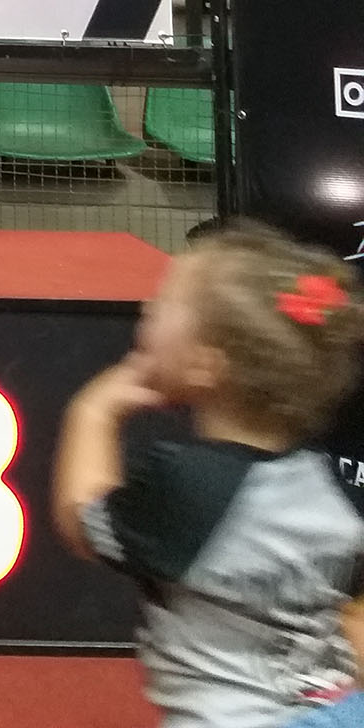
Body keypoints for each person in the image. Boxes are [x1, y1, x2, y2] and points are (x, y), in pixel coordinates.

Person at [54, 222, 364, 728]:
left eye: (164, 304)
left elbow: (81, 521)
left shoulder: (186, 484)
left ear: (205, 366)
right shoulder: (329, 483)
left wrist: (94, 413)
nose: (147, 308)